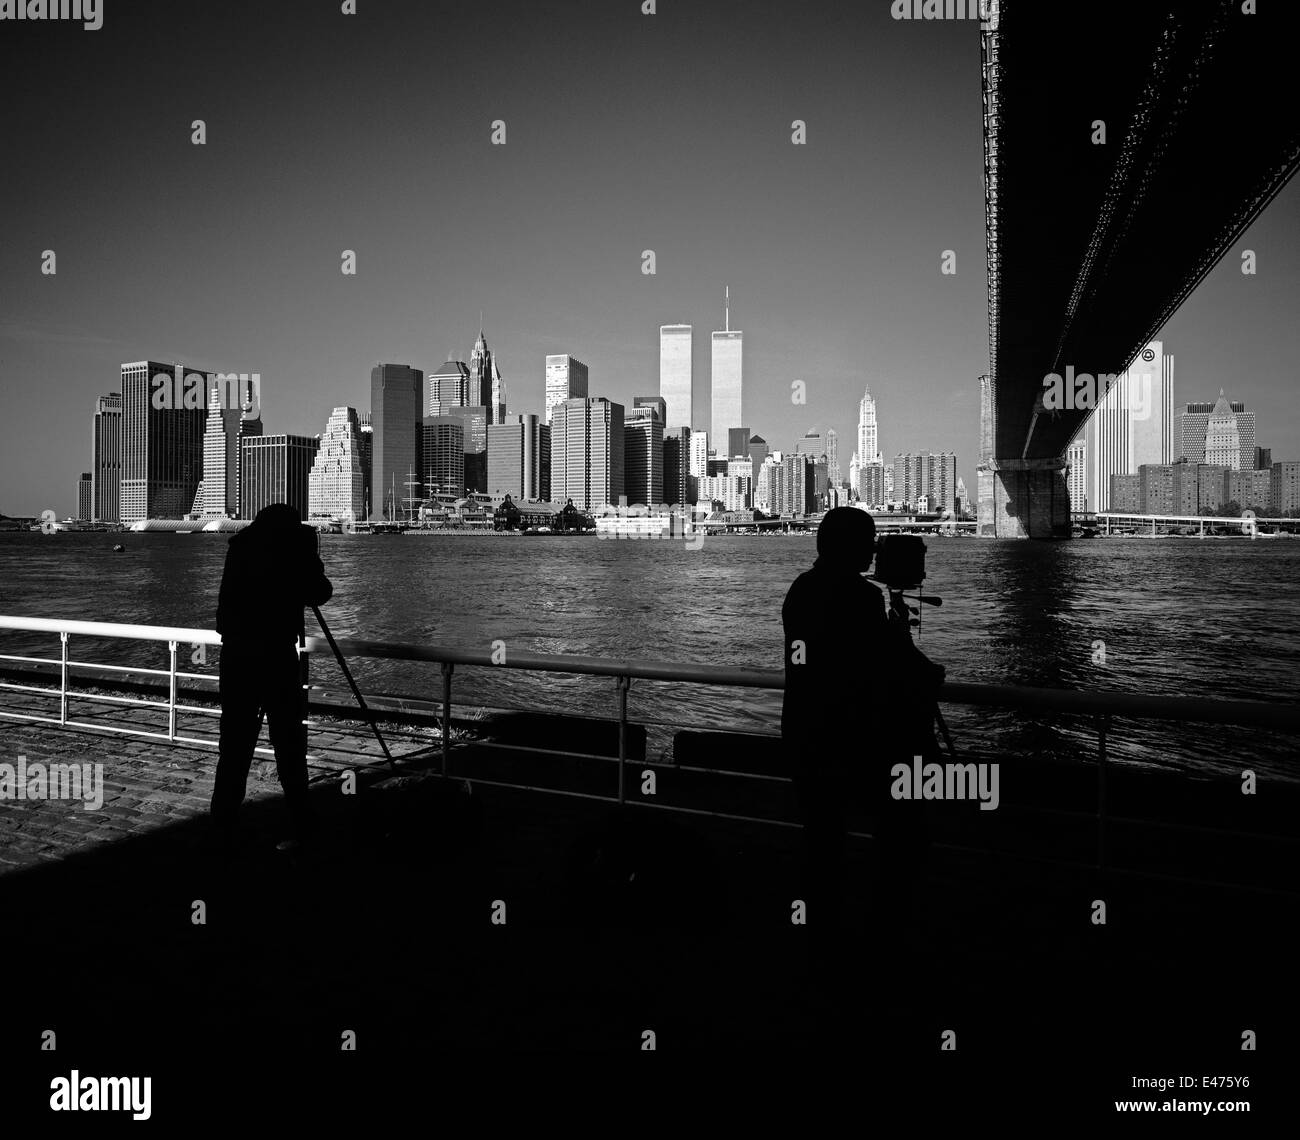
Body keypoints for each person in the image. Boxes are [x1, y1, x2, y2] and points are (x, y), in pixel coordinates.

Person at [781, 507, 944, 933]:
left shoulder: (801, 589)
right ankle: (884, 927)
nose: (874, 551)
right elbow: (889, 671)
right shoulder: (860, 597)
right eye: (868, 542)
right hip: (852, 742)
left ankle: (820, 926)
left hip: (805, 735)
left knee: (822, 837)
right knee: (899, 831)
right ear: (850, 547)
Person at [209, 503, 333, 850]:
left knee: (234, 747)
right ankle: (302, 820)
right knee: (289, 745)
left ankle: (221, 826)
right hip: (277, 657)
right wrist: (311, 557)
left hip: (236, 657)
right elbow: (320, 592)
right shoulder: (291, 547)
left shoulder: (240, 546)